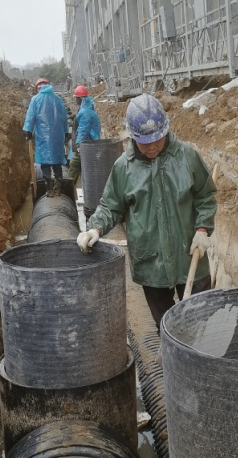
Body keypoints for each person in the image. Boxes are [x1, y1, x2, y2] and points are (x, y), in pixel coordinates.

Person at [77, 93, 216, 331]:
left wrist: (203, 229)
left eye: (157, 140)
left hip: (189, 254)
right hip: (151, 264)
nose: (152, 147)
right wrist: (95, 228)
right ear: (132, 137)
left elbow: (205, 196)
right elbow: (111, 205)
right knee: (166, 328)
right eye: (145, 142)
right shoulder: (124, 167)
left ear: (165, 131)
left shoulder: (187, 157)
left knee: (202, 327)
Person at [22, 78, 70, 196]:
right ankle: (58, 188)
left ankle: (49, 190)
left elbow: (30, 117)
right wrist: (66, 132)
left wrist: (28, 131)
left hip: (43, 136)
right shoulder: (57, 99)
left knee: (45, 164)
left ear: (38, 88)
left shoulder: (35, 99)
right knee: (57, 163)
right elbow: (64, 118)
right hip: (57, 136)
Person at [69, 85, 101, 185]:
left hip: (86, 145)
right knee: (86, 171)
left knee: (74, 167)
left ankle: (70, 189)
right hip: (89, 144)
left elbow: (83, 130)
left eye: (76, 98)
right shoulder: (86, 109)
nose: (75, 100)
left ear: (80, 98)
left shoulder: (85, 112)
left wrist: (79, 146)